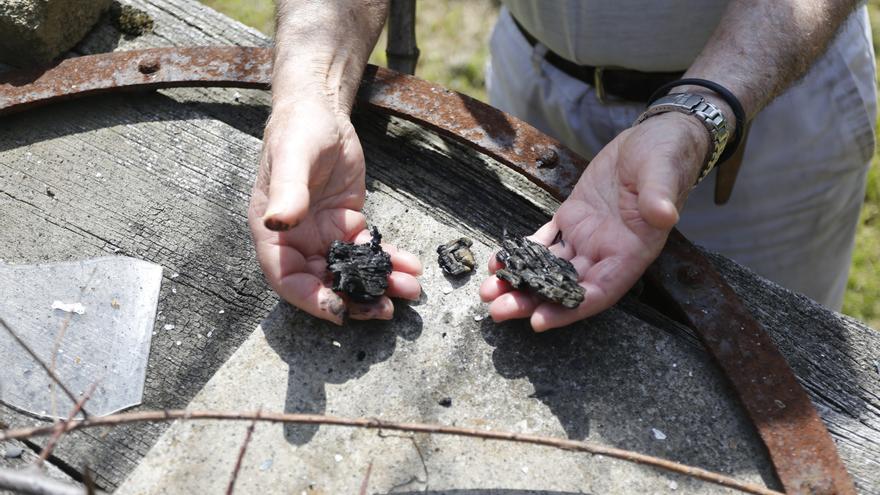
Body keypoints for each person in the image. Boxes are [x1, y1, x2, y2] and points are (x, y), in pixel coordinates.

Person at [248, 0, 876, 331]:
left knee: (771, 344)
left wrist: (702, 112)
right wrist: (312, 90)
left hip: (763, 102)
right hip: (533, 79)